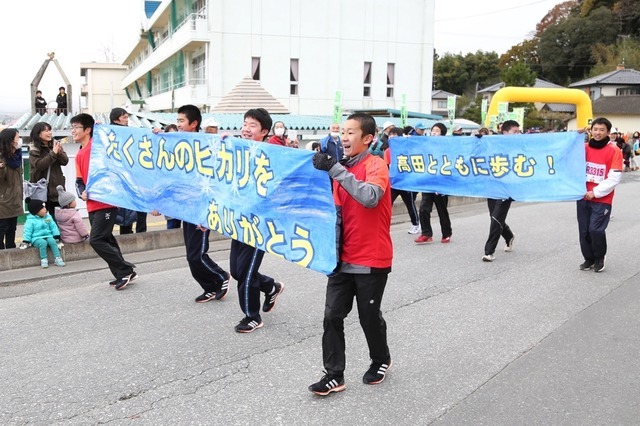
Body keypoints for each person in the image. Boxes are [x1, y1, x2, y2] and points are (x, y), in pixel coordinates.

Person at [309, 112, 392, 396]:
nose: (344, 137)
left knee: (368, 316)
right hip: (340, 259)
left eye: (351, 132)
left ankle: (380, 359)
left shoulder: (376, 165)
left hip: (372, 258)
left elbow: (370, 198)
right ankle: (334, 374)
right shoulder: (338, 169)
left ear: (368, 138)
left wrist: (335, 170)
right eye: (342, 132)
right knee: (332, 316)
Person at [231, 108, 284, 333]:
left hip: (259, 223)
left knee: (246, 272)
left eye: (252, 125)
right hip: (237, 220)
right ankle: (271, 286)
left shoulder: (272, 155)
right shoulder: (235, 151)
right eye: (244, 123)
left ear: (264, 131)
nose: (246, 128)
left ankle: (252, 316)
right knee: (236, 270)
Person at [72, 113, 137, 290]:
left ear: (87, 130)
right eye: (72, 127)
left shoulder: (98, 146)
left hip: (107, 202)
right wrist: (81, 193)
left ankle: (124, 270)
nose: (73, 131)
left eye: (76, 127)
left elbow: (117, 142)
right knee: (106, 239)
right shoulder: (79, 154)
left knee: (96, 240)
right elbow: (79, 181)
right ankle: (122, 273)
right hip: (91, 203)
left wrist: (103, 129)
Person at [176, 104, 230, 303]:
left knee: (197, 255)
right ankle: (209, 287)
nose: (178, 124)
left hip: (201, 209)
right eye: (178, 120)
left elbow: (217, 176)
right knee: (191, 255)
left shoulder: (207, 145)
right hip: (185, 208)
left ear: (194, 123)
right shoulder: (177, 142)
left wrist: (208, 212)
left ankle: (220, 276)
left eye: (182, 120)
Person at [578, 117, 622, 273]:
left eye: (601, 130)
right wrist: (574, 136)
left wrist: (595, 192)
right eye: (595, 129)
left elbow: (614, 177)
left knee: (595, 229)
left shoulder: (614, 150)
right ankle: (588, 259)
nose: (597, 132)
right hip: (582, 196)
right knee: (584, 230)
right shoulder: (583, 147)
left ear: (608, 132)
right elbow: (565, 151)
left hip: (602, 199)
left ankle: (599, 258)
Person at [481, 119, 519, 262]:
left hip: (507, 188)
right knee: (494, 216)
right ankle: (509, 236)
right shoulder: (493, 144)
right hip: (492, 186)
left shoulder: (521, 146)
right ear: (505, 132)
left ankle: (489, 251)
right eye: (514, 132)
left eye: (518, 131)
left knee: (496, 218)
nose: (518, 134)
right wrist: (478, 140)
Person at [109, 107, 148, 234]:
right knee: (125, 211)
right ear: (115, 120)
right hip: (120, 180)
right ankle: (127, 236)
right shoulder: (108, 133)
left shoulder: (132, 133)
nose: (127, 120)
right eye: (124, 117)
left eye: (127, 117)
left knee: (140, 208)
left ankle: (140, 235)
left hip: (136, 177)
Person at [415, 123, 452, 244]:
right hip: (428, 182)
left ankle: (446, 233)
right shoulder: (426, 145)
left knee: (442, 210)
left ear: (442, 133)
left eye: (437, 131)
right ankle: (426, 233)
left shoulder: (447, 147)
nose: (433, 132)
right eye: (433, 130)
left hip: (441, 183)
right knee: (423, 209)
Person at [29, 122, 69, 220]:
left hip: (56, 189)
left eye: (50, 130)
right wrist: (53, 154)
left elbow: (65, 162)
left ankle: (57, 236)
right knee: (44, 221)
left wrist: (59, 153)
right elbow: (40, 165)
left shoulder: (55, 145)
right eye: (46, 131)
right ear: (38, 134)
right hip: (42, 191)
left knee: (59, 220)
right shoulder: (33, 148)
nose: (49, 133)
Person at [383, 127, 419, 234]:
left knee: (409, 204)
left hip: (405, 182)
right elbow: (387, 166)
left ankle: (416, 224)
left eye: (395, 134)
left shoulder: (406, 149)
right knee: (387, 205)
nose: (392, 137)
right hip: (393, 183)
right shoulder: (388, 151)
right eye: (390, 135)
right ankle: (385, 225)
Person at [20, 198, 65, 268]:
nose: (45, 209)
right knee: (43, 243)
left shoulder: (48, 217)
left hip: (48, 235)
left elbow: (54, 227)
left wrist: (56, 236)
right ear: (36, 211)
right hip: (36, 238)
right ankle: (43, 259)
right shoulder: (30, 220)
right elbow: (27, 231)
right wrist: (26, 241)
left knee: (52, 241)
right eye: (42, 208)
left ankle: (57, 257)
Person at [0, 128, 24, 249]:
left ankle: (11, 252)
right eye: (17, 138)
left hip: (15, 199)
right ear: (10, 141)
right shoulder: (2, 158)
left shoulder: (16, 157)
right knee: (2, 228)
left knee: (12, 229)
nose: (20, 140)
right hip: (3, 201)